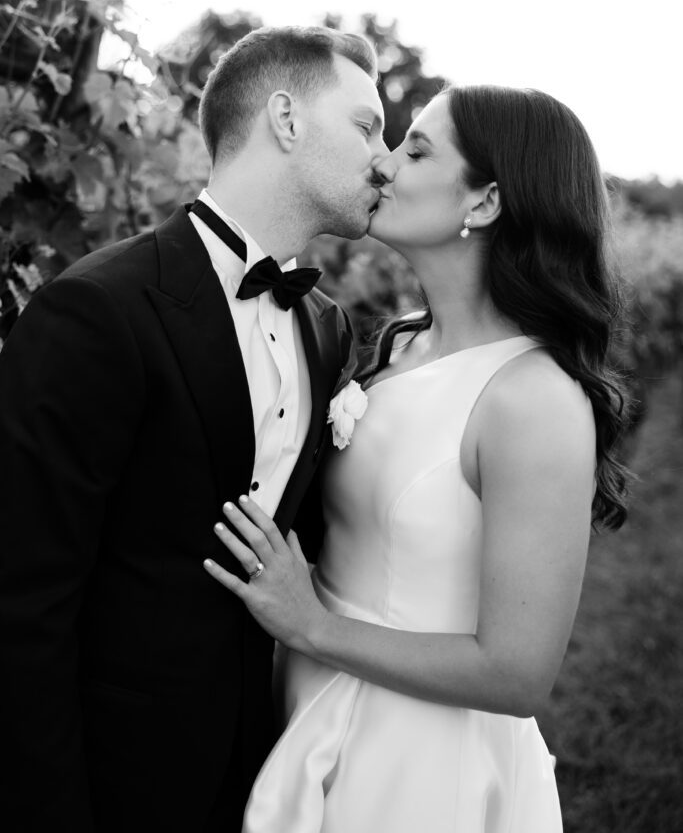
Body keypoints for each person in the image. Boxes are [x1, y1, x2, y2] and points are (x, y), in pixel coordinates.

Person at [205, 84, 631, 832]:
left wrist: (311, 627)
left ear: (486, 202)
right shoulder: (402, 343)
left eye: (416, 149)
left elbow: (519, 673)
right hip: (312, 702)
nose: (382, 163)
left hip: (417, 763)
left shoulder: (529, 398)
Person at [0, 26, 389, 832]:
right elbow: (21, 600)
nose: (383, 158)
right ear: (285, 119)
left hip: (260, 770)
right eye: (366, 126)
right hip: (108, 780)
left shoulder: (325, 327)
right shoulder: (100, 309)